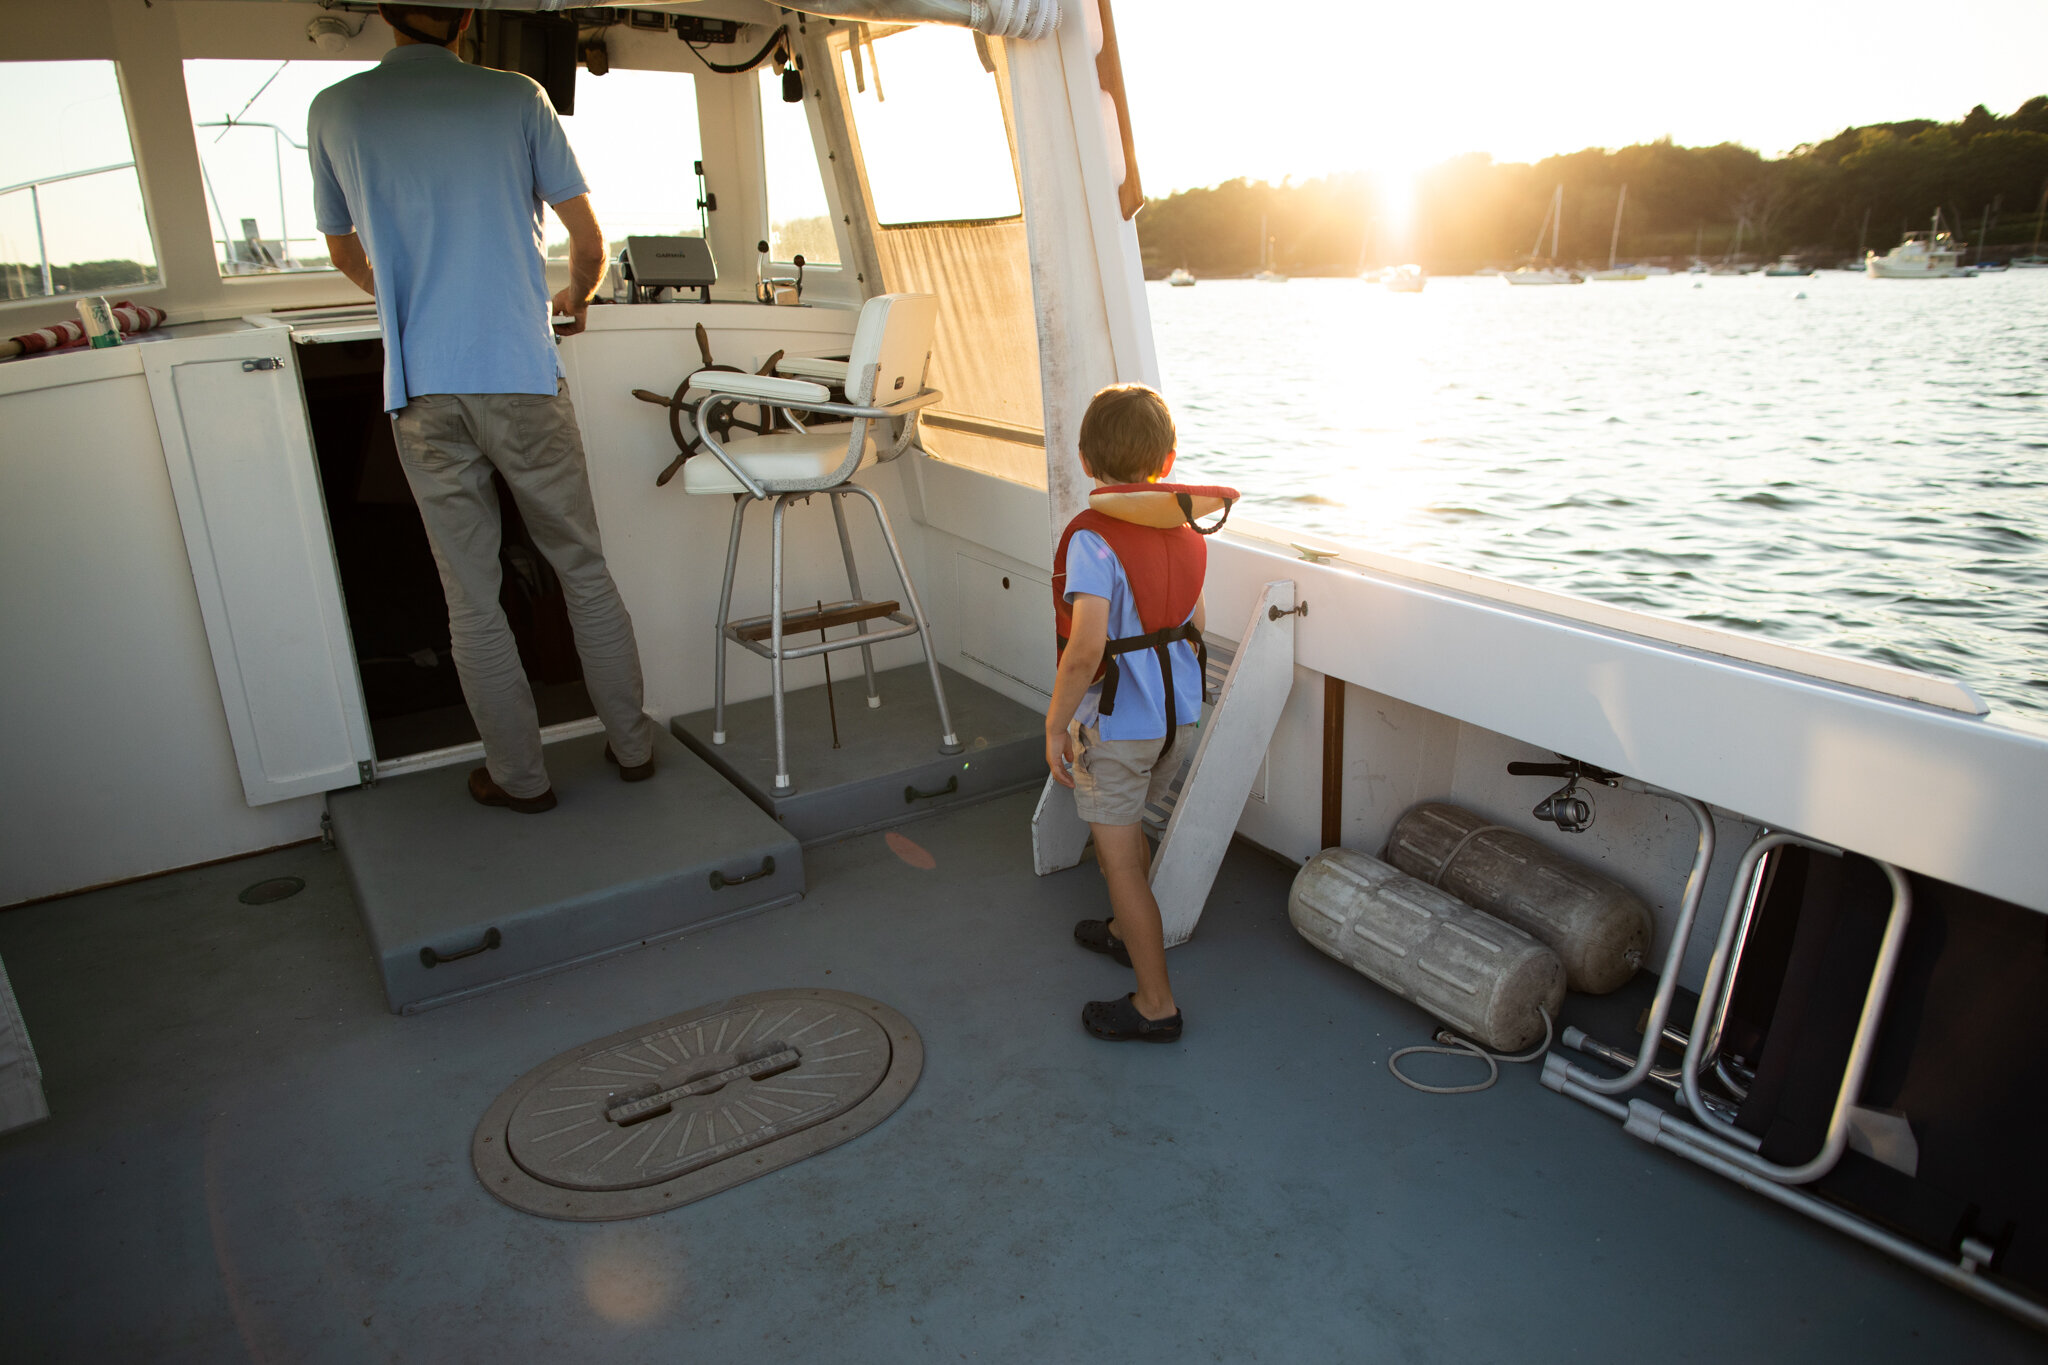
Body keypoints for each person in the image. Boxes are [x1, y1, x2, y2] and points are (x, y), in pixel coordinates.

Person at [309, 4, 656, 814]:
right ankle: (634, 748)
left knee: (472, 593)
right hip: (524, 376)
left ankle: (520, 778)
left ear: (387, 17)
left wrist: (405, 308)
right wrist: (575, 296)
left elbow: (344, 251)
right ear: (466, 18)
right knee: (582, 567)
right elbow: (587, 241)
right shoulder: (518, 97)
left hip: (423, 388)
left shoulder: (335, 110)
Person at [1045, 384, 1208, 1043]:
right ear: (1167, 462)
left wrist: (1055, 724)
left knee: (1121, 866)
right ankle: (1120, 932)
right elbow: (1195, 627)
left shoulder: (1093, 541)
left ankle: (1155, 1003)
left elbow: (1086, 648)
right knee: (1131, 826)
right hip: (1179, 723)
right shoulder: (1188, 527)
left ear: (1085, 461)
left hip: (1117, 730)